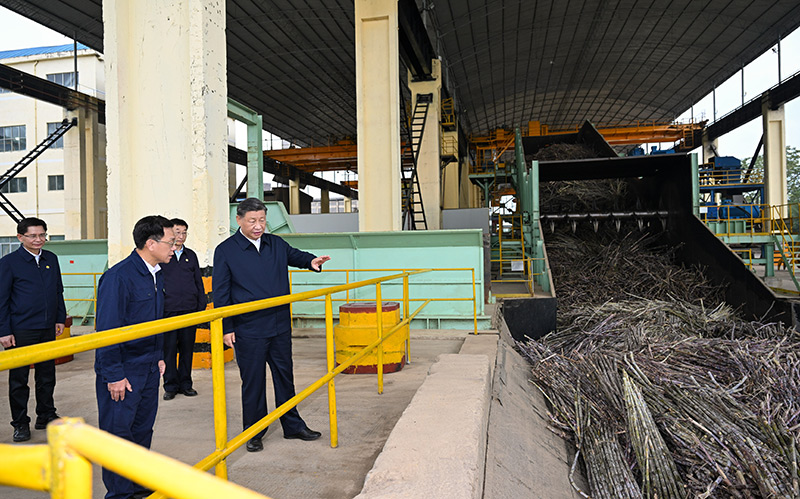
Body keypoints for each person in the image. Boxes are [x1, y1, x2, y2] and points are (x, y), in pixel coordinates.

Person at [213, 197, 330, 452]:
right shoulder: (226, 251)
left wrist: (311, 262)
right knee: (253, 382)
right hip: (248, 329)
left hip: (278, 325)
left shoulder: (275, 243)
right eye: (252, 221)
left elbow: (295, 256)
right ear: (239, 220)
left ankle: (293, 425)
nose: (258, 226)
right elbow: (221, 293)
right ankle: (254, 432)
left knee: (284, 377)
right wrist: (227, 328)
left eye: (262, 220)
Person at [94, 216, 175, 499]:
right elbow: (106, 331)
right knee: (118, 434)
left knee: (142, 430)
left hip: (150, 365)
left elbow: (155, 320)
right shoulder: (119, 277)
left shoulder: (157, 273)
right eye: (170, 241)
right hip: (124, 369)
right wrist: (113, 374)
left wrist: (160, 355)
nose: (174, 246)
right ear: (150, 244)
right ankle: (119, 494)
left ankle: (138, 484)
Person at [0, 217, 66, 442]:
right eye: (33, 236)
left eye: (42, 235)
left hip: (47, 327)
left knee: (47, 375)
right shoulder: (9, 263)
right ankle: (20, 423)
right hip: (20, 330)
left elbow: (58, 291)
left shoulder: (51, 259)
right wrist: (4, 331)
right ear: (20, 237)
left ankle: (45, 415)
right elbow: (2, 300)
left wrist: (59, 319)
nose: (39, 240)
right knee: (19, 380)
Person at [161, 218, 206, 400]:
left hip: (189, 310)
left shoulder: (191, 255)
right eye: (178, 232)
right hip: (168, 311)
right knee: (169, 350)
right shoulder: (164, 255)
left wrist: (200, 305)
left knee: (187, 349)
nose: (181, 236)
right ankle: (170, 386)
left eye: (184, 232)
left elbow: (198, 282)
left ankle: (186, 384)